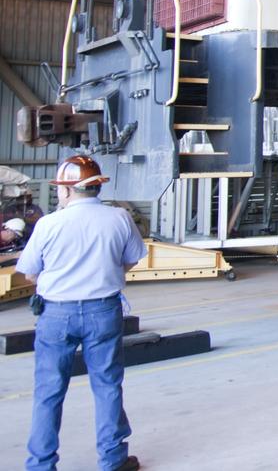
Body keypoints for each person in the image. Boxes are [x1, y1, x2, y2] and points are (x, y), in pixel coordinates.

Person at [16, 154, 147, 471]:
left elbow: (30, 273)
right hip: (103, 311)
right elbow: (131, 259)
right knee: (107, 384)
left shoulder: (49, 224)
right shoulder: (119, 218)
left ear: (66, 190)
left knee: (49, 391)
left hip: (56, 315)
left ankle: (41, 464)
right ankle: (113, 459)